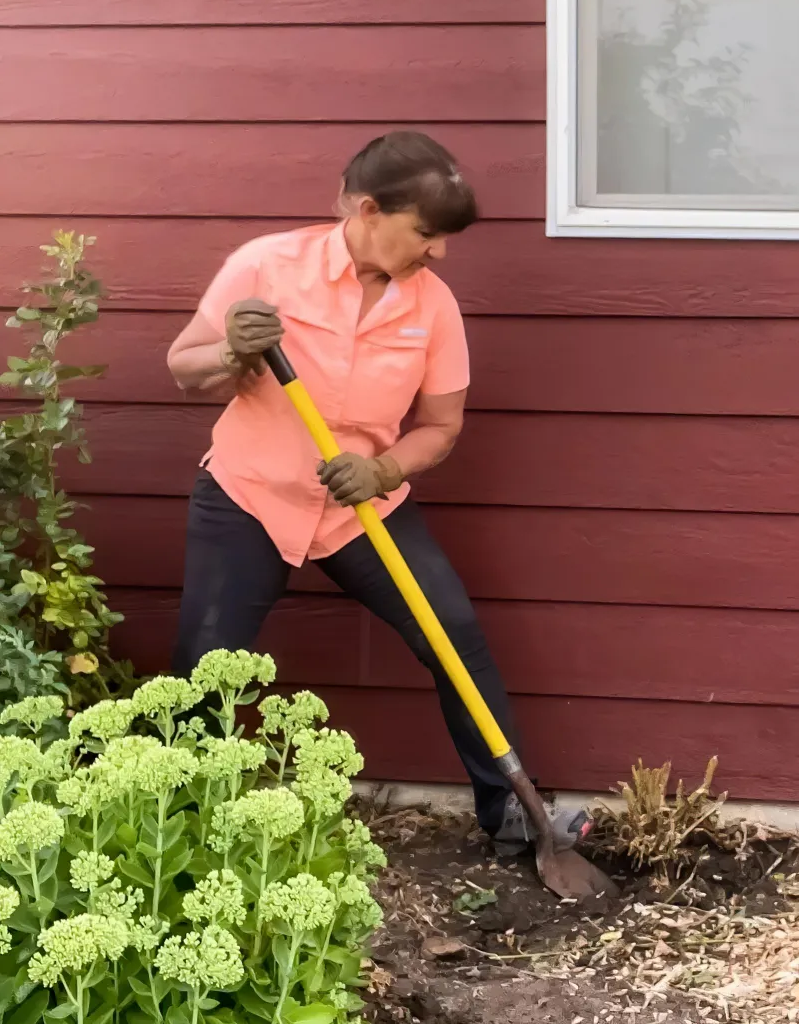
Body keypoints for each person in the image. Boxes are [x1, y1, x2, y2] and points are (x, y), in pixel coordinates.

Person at [166, 130, 588, 856]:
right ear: (368, 210)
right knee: (207, 664)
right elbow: (183, 368)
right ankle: (175, 822)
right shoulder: (267, 265)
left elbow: (441, 426)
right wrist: (233, 348)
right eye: (426, 233)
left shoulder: (434, 306)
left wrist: (385, 471)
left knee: (451, 633)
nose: (440, 252)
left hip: (360, 504)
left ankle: (514, 811)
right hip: (250, 495)